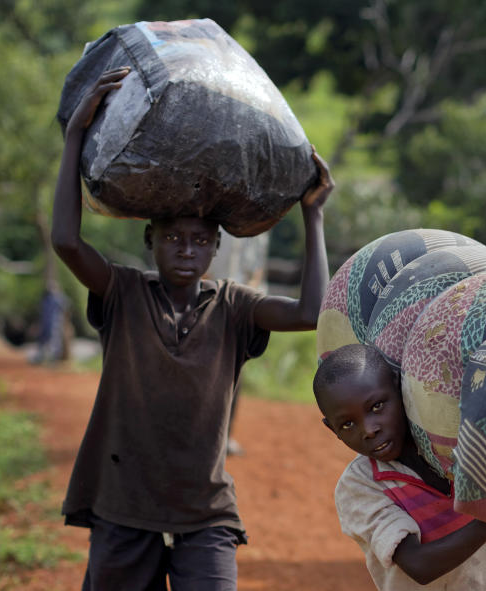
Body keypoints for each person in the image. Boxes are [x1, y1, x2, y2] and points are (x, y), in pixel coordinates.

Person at [51, 67, 333, 591]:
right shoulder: (123, 293)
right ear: (150, 242)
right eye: (174, 238)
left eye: (200, 240)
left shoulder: (235, 308)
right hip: (123, 501)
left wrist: (312, 216)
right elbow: (67, 242)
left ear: (215, 250)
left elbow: (310, 313)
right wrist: (75, 137)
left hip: (205, 510)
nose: (187, 249)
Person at [313, 343, 486, 590]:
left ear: (398, 385)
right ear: (332, 429)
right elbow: (419, 566)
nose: (369, 430)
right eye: (347, 424)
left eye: (377, 406)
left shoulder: (459, 448)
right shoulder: (358, 486)